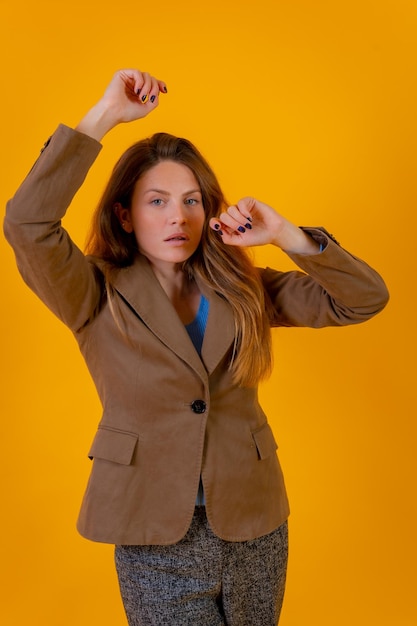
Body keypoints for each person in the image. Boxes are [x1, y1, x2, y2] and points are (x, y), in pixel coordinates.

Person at [4, 68, 389, 626]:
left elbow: (364, 299)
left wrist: (285, 235)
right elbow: (26, 222)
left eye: (190, 201)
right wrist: (105, 116)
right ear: (125, 215)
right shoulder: (91, 292)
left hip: (254, 523)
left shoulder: (244, 286)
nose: (176, 217)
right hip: (153, 529)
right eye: (156, 201)